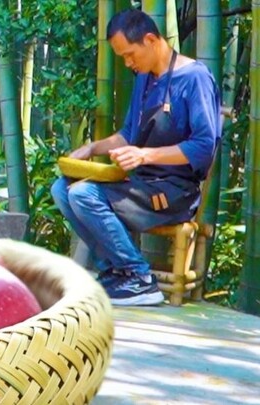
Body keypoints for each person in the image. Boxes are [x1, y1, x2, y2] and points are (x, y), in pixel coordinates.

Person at [51, 8, 222, 306]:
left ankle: (140, 278)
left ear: (150, 39)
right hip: (140, 184)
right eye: (123, 58)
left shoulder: (195, 78)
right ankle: (117, 272)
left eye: (130, 55)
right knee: (62, 189)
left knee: (83, 194)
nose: (128, 63)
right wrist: (93, 148)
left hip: (175, 192)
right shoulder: (144, 77)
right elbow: (129, 133)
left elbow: (203, 147)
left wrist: (144, 155)